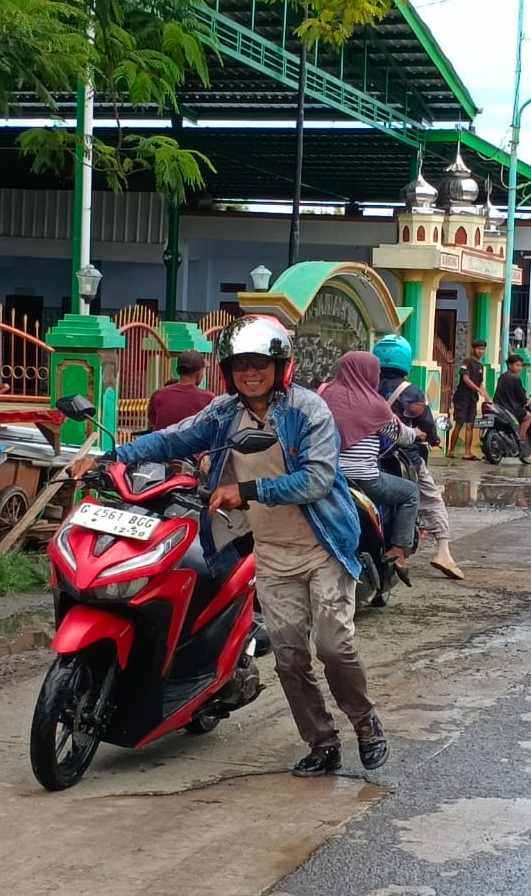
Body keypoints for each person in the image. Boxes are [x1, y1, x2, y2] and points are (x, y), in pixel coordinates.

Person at [114, 316, 388, 777]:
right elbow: (174, 438)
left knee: (334, 646)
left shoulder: (308, 411)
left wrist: (247, 491)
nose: (250, 373)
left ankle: (364, 722)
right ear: (227, 371)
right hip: (271, 551)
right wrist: (115, 456)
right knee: (289, 656)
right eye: (240, 364)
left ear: (280, 365)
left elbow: (318, 480)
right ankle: (322, 742)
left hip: (323, 546)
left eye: (259, 363)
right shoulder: (223, 412)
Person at [321, 351, 420, 576]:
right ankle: (398, 550)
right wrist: (417, 433)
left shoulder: (324, 394)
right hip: (364, 480)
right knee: (411, 493)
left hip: (327, 476)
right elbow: (401, 435)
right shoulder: (375, 404)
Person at [374, 335, 464, 581]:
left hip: (372, 456)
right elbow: (426, 422)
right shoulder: (411, 391)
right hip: (406, 456)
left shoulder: (368, 387)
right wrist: (434, 438)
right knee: (432, 500)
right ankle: (443, 552)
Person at [145, 350, 214, 431]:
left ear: (178, 371)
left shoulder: (158, 395)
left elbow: (153, 420)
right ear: (199, 373)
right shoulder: (209, 399)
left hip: (163, 439)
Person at [447, 339, 491, 460]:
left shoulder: (480, 366)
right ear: (473, 349)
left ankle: (467, 452)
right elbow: (465, 379)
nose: (481, 351)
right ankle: (451, 451)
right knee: (459, 423)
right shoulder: (467, 362)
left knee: (470, 424)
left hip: (472, 398)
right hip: (462, 397)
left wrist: (488, 397)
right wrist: (478, 389)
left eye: (483, 349)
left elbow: (481, 384)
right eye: (479, 348)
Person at [496, 355, 531, 443]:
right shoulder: (515, 378)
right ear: (510, 365)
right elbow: (520, 395)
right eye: (517, 365)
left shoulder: (502, 377)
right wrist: (526, 402)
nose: (519, 368)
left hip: (499, 408)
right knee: (529, 416)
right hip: (511, 409)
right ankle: (520, 439)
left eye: (521, 366)